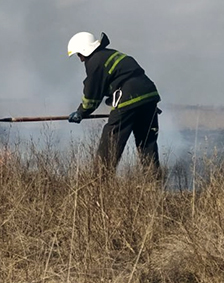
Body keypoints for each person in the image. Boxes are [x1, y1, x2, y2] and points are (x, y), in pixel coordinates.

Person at [67, 31, 161, 178]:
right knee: (147, 143)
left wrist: (81, 112)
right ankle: (153, 182)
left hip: (128, 97)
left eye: (79, 54)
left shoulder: (95, 61)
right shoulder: (110, 54)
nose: (80, 59)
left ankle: (100, 180)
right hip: (149, 97)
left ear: (85, 50)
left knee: (111, 139)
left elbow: (92, 93)